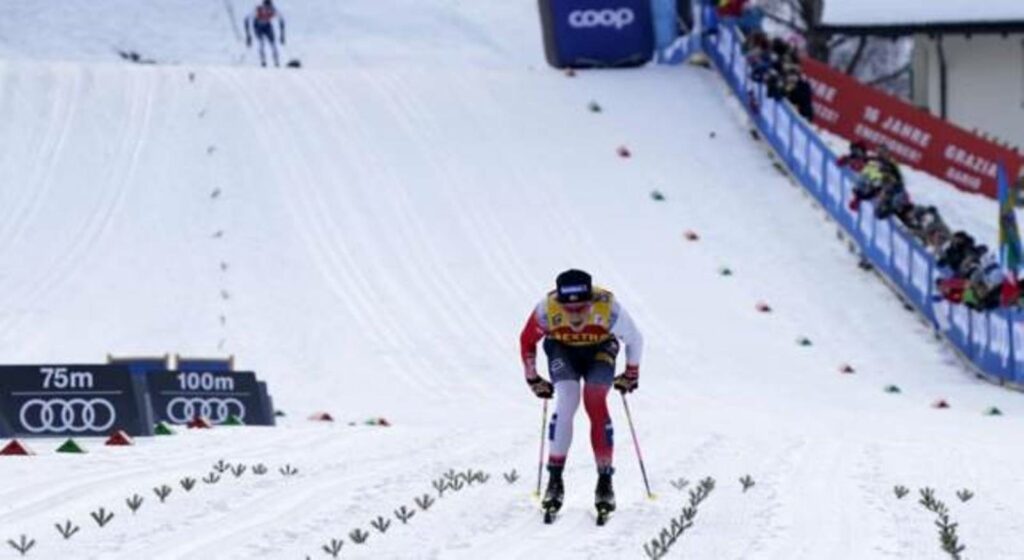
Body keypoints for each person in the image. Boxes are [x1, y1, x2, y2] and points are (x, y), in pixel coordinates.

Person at [519, 269, 644, 516]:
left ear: (592, 301)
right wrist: (532, 378)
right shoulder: (546, 309)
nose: (575, 315)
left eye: (582, 308)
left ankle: (605, 482)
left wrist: (631, 374)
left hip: (600, 349)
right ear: (559, 302)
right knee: (567, 399)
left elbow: (635, 340)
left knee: (594, 400)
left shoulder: (609, 308)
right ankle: (554, 481)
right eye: (568, 308)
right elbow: (526, 340)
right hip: (562, 349)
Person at [245, 0, 286, 67]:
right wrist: (248, 35)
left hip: (267, 26)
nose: (267, 9)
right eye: (266, 7)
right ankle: (263, 62)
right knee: (261, 43)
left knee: (273, 44)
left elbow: (281, 20)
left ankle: (276, 62)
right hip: (258, 27)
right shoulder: (258, 9)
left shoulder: (273, 9)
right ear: (263, 5)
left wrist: (282, 35)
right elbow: (246, 19)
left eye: (269, 7)